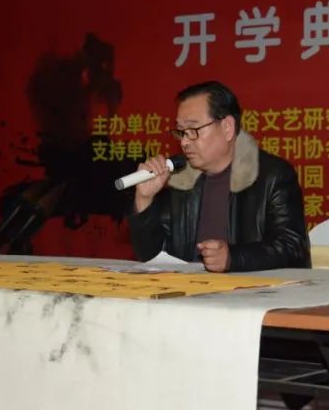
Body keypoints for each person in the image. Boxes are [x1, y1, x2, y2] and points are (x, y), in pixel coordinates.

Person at [127, 80, 310, 272]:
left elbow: (292, 248)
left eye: (193, 130)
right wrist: (144, 199)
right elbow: (152, 257)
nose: (184, 142)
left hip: (254, 289)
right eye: (181, 132)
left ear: (227, 127)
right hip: (187, 288)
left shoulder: (272, 175)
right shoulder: (180, 179)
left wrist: (233, 258)